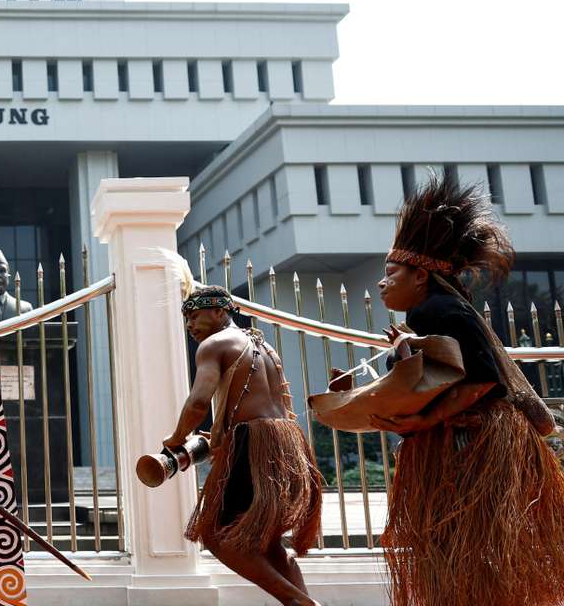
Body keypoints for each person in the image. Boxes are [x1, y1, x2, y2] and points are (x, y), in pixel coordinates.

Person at [371, 174, 564, 606]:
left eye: (391, 273)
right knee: (461, 550)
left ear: (420, 275)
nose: (382, 284)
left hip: (473, 441)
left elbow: (482, 380)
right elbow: (444, 373)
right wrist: (404, 353)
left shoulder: (437, 308)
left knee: (464, 545)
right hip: (465, 440)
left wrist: (424, 419)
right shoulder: (435, 311)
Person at [163, 285, 323, 606]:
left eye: (196, 316)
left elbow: (198, 403)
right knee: (269, 541)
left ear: (220, 312)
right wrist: (220, 439)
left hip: (252, 442)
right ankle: (300, 600)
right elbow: (266, 403)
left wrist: (176, 438)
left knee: (216, 534)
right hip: (287, 440)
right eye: (187, 320)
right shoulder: (264, 346)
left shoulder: (214, 345)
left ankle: (299, 602)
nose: (191, 326)